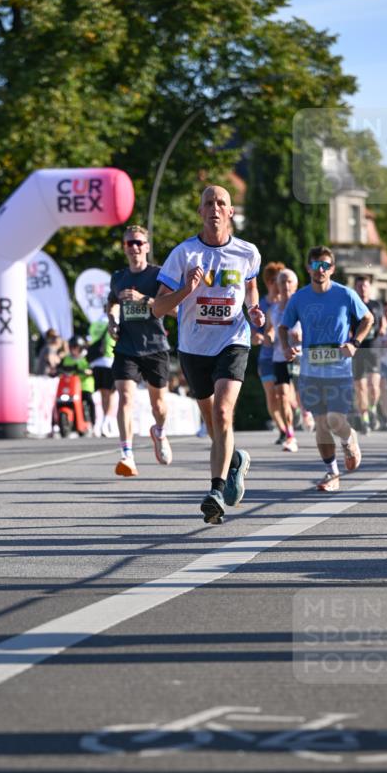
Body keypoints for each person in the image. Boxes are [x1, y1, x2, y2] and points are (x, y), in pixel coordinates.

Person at [152, 185, 265, 523]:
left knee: (223, 412)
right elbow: (158, 308)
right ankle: (235, 462)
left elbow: (251, 288)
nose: (214, 208)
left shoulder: (247, 253)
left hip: (233, 339)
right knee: (214, 423)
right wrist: (187, 289)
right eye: (208, 203)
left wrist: (255, 310)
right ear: (200, 212)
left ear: (230, 212)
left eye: (221, 203)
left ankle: (215, 490)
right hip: (193, 347)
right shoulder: (184, 255)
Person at [279, 246, 373, 492]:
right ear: (308, 268)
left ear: (331, 269)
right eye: (316, 265)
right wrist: (286, 347)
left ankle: (349, 437)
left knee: (334, 419)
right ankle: (332, 473)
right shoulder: (299, 298)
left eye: (325, 266)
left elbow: (368, 318)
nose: (320, 270)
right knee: (320, 424)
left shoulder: (345, 294)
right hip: (311, 370)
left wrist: (354, 343)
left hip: (339, 370)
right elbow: (283, 326)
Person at [106, 224, 172, 477]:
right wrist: (112, 321)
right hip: (126, 346)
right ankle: (127, 454)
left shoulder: (159, 275)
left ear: (147, 247)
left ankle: (160, 432)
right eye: (129, 243)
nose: (134, 247)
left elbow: (173, 308)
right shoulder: (118, 277)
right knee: (125, 398)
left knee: (159, 406)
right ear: (124, 248)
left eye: (138, 243)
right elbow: (111, 303)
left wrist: (143, 299)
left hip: (155, 345)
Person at [265, 268, 300, 453]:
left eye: (289, 282)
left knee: (302, 395)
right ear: (277, 286)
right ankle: (290, 436)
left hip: (302, 357)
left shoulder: (302, 306)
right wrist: (268, 337)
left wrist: (301, 335)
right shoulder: (273, 310)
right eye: (282, 282)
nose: (286, 286)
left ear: (295, 285)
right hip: (280, 357)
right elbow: (269, 330)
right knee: (282, 396)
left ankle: (306, 411)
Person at [254, 261, 287, 442]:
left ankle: (295, 415)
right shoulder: (261, 305)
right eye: (274, 280)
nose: (278, 284)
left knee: (285, 394)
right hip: (266, 357)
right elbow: (253, 331)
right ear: (268, 282)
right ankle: (282, 429)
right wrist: (257, 338)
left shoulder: (290, 302)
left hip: (287, 356)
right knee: (272, 396)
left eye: (282, 279)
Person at [351, 275, 385, 433]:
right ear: (355, 288)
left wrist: (382, 331)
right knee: (360, 386)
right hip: (358, 349)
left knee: (373, 386)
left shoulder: (376, 305)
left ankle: (372, 409)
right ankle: (364, 417)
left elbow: (383, 324)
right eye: (359, 286)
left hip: (373, 348)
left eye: (365, 286)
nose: (362, 288)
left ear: (369, 287)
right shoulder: (352, 306)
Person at [87, 313, 118, 436]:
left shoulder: (95, 323)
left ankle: (105, 420)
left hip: (96, 362)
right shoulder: (114, 321)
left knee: (103, 393)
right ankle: (108, 421)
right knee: (112, 394)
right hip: (110, 360)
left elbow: (90, 340)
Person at [60, 336, 95, 428]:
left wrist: (88, 371)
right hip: (71, 386)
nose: (73, 350)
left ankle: (92, 422)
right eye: (72, 347)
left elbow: (92, 368)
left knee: (88, 400)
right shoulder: (67, 358)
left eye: (76, 347)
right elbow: (62, 369)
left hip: (84, 385)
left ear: (81, 348)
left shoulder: (86, 357)